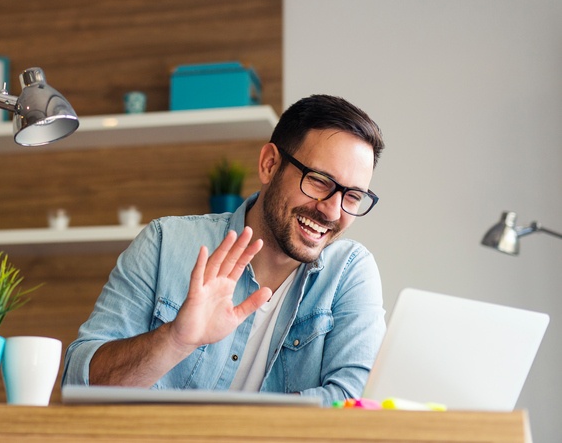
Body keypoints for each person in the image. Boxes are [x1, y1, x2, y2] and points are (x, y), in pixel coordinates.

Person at [62, 94, 386, 405]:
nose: (332, 211)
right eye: (319, 181)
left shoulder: (349, 271)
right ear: (269, 165)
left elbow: (356, 401)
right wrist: (174, 340)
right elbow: (78, 384)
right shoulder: (165, 242)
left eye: (353, 197)